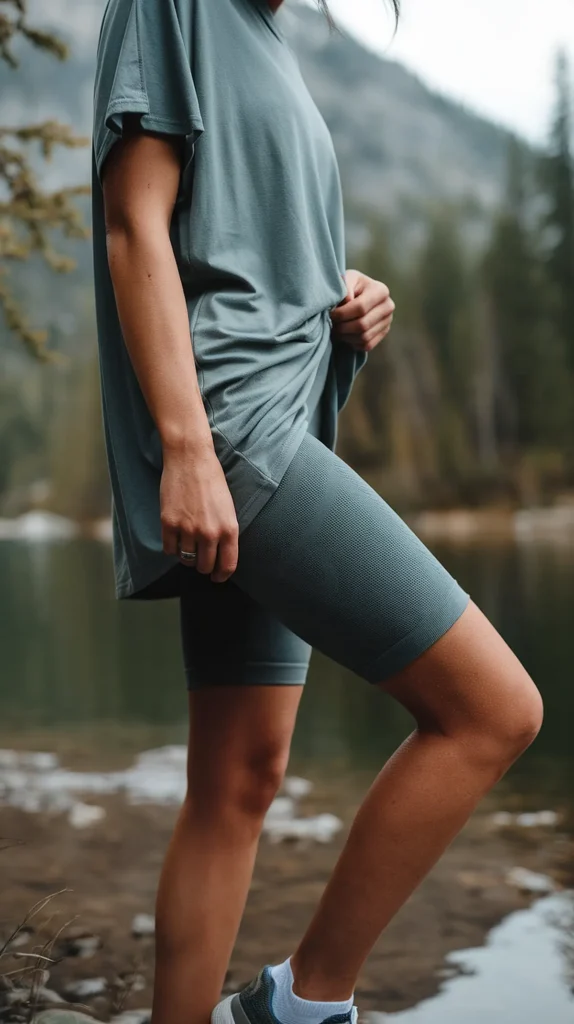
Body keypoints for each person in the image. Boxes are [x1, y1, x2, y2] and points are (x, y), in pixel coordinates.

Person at [91, 2, 543, 1024]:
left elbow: (239, 243)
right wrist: (188, 448)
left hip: (273, 427)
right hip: (237, 435)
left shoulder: (272, 46)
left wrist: (340, 292)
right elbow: (136, 222)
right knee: (492, 711)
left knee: (240, 778)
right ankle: (302, 1004)